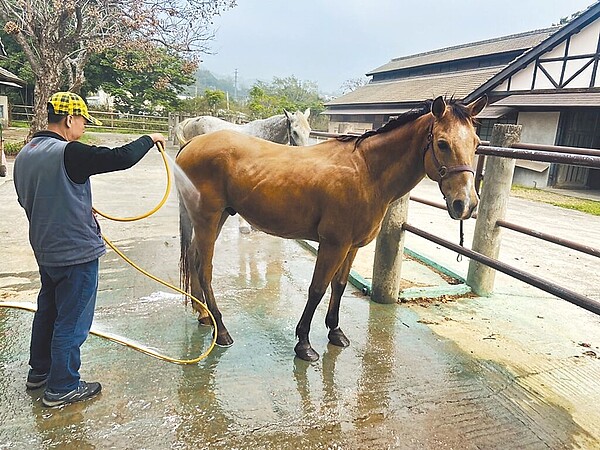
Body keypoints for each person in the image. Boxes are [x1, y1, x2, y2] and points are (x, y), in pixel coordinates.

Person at [13, 92, 166, 408]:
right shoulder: (69, 152)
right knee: (72, 320)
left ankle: (39, 373)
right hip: (76, 254)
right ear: (69, 119)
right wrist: (149, 138)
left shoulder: (27, 153)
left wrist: (78, 208)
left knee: (49, 312)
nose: (83, 128)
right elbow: (119, 158)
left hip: (46, 251)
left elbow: (31, 200)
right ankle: (63, 387)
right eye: (82, 121)